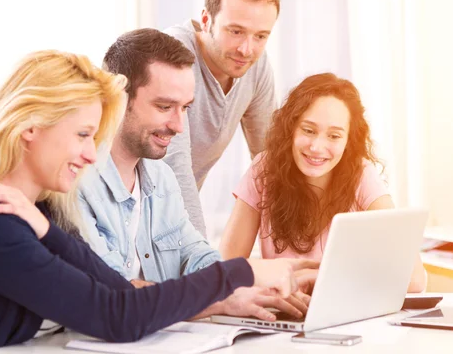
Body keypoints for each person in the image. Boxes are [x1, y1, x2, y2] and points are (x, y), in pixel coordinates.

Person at [0, 50, 315, 354]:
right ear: (30, 129)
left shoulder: (34, 213)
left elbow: (115, 289)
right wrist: (242, 272)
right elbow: (118, 317)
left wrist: (47, 233)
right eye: (84, 135)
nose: (91, 155)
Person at [79, 28, 310, 322]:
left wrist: (251, 287)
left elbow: (197, 256)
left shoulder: (161, 180)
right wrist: (222, 301)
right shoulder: (76, 184)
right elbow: (117, 295)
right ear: (117, 98)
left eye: (185, 108)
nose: (178, 126)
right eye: (164, 107)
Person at [218, 73, 428, 293]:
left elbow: (414, 279)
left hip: (341, 311)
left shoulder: (361, 174)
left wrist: (314, 277)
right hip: (282, 311)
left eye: (334, 136)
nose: (317, 147)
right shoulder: (264, 168)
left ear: (348, 141)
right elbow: (226, 265)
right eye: (308, 130)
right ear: (291, 128)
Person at [163, 0, 280, 237]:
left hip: (171, 223)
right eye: (235, 31)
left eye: (260, 36)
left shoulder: (256, 66)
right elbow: (174, 170)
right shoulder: (172, 56)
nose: (247, 49)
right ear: (206, 19)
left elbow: (270, 160)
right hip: (127, 215)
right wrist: (201, 256)